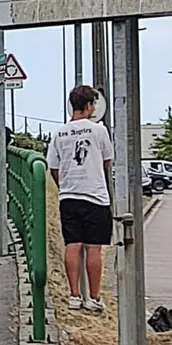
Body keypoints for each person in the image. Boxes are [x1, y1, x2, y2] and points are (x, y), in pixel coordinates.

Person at [47, 85, 113, 312]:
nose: (94, 108)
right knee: (94, 249)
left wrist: (64, 185)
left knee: (72, 245)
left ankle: (74, 296)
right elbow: (107, 161)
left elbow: (53, 167)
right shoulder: (98, 131)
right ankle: (94, 298)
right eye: (93, 104)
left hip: (69, 196)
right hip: (95, 196)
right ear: (88, 105)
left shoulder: (59, 133)